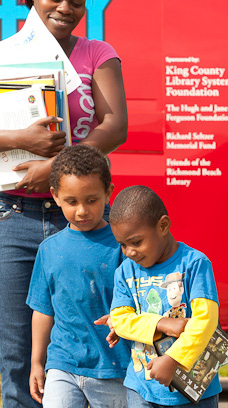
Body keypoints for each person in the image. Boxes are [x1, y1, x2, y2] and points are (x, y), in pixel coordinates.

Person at [0, 0, 128, 405]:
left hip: (80, 222)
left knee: (91, 351)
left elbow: (115, 124)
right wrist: (20, 137)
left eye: (77, 1)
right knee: (20, 364)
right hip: (12, 220)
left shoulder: (96, 54)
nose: (65, 9)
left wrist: (60, 165)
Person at [26, 144, 131, 408]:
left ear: (108, 193)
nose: (82, 211)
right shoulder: (48, 250)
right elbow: (42, 310)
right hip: (63, 364)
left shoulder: (123, 247)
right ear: (56, 196)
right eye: (72, 202)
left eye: (91, 200)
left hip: (115, 369)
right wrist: (37, 362)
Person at [109, 186, 221, 407]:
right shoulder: (125, 271)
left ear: (163, 226)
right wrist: (161, 323)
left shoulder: (195, 264)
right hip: (141, 389)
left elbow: (206, 321)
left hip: (194, 391)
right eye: (122, 244)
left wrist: (173, 360)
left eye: (136, 242)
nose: (129, 252)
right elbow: (120, 319)